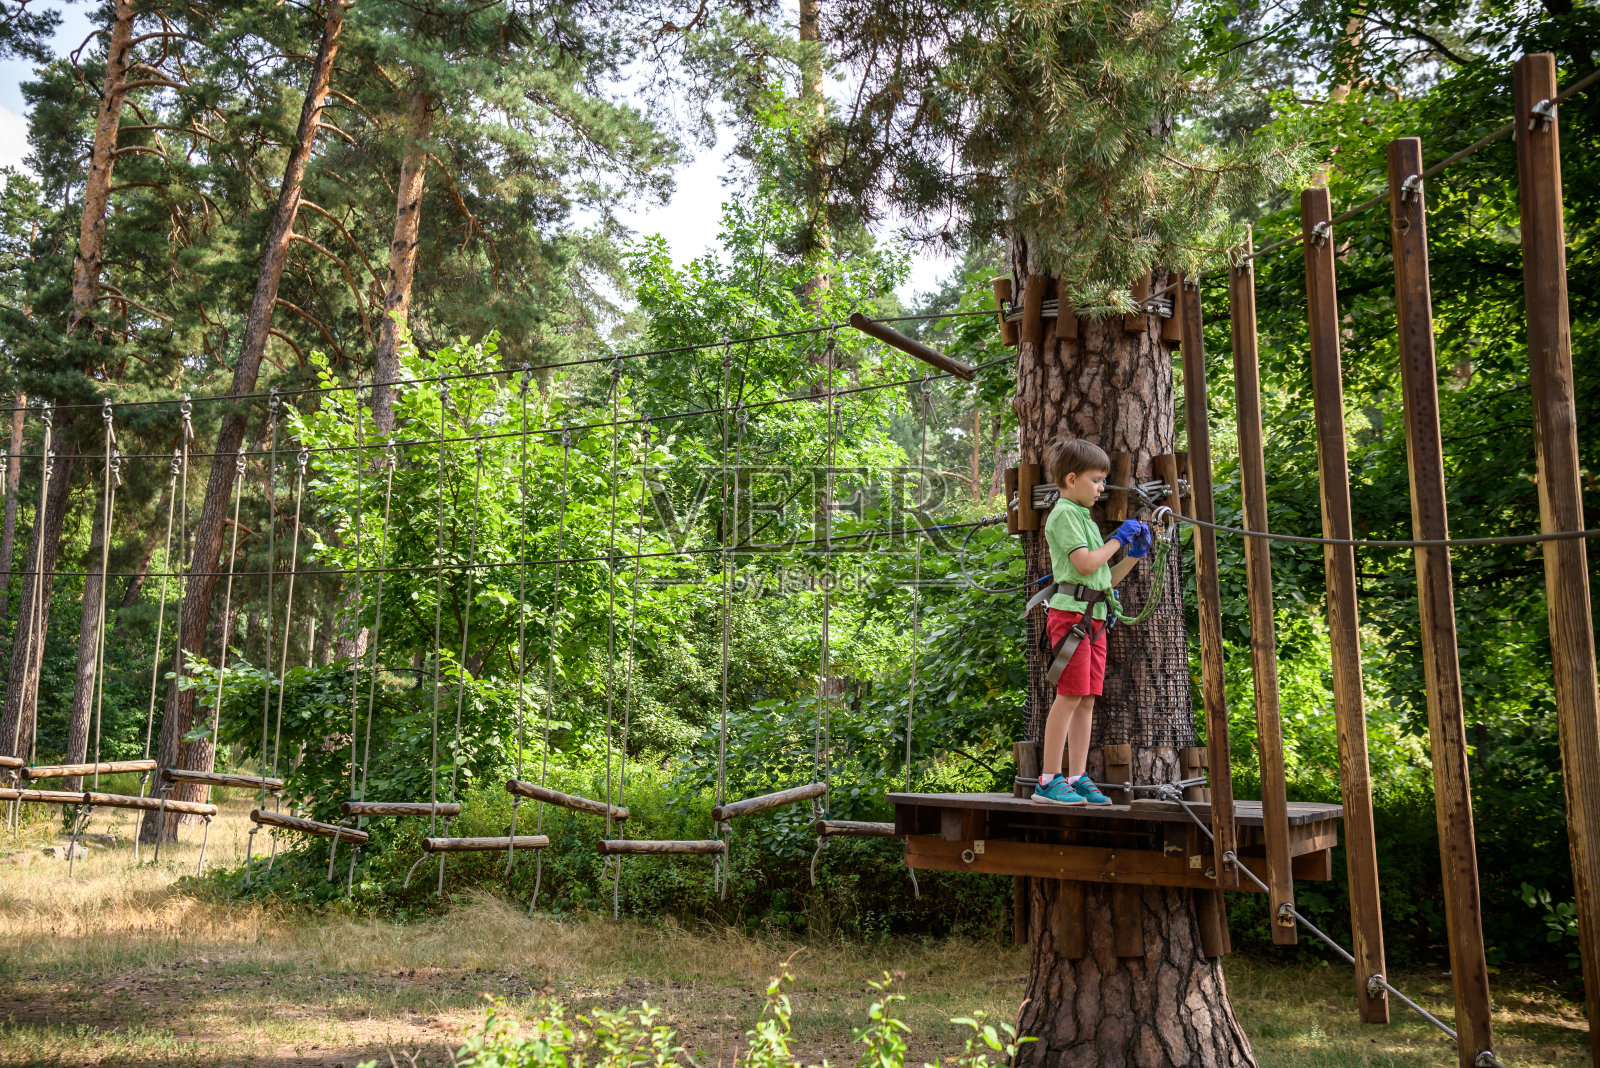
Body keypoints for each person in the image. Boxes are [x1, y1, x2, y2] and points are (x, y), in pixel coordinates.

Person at [1031, 438, 1152, 806]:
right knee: (1068, 696)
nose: (1102, 488)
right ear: (1071, 478)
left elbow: (1103, 579)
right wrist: (1117, 540)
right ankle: (1048, 780)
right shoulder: (1065, 513)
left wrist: (1132, 554)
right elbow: (1084, 565)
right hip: (1072, 618)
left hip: (1094, 617)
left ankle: (1077, 775)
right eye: (1097, 480)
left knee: (1085, 699)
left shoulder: (1082, 516)